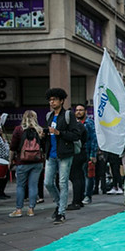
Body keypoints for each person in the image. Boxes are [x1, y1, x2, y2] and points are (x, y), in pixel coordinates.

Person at [43, 87, 81, 224]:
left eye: (54, 100)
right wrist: (44, 134)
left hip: (65, 154)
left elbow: (76, 134)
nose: (52, 102)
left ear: (61, 100)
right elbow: (49, 134)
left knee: (63, 183)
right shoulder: (49, 116)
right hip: (51, 154)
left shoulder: (68, 115)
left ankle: (61, 213)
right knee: (47, 182)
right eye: (50, 100)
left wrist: (60, 133)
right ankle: (60, 204)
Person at [8, 110, 45, 218]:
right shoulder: (39, 130)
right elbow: (43, 147)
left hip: (22, 161)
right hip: (37, 162)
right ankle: (31, 209)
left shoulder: (18, 130)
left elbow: (12, 147)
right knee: (33, 185)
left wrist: (10, 161)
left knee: (20, 186)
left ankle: (19, 210)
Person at [67, 105, 88, 211]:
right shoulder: (79, 125)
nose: (78, 112)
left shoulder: (77, 126)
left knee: (76, 177)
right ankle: (79, 200)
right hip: (81, 152)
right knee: (79, 177)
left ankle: (76, 201)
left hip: (77, 153)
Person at [78, 103, 98, 205]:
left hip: (87, 152)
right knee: (79, 175)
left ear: (85, 111)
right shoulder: (75, 123)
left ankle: (87, 195)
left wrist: (93, 154)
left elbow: (94, 139)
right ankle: (80, 195)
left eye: (81, 110)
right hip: (77, 153)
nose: (78, 112)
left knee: (88, 175)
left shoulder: (89, 123)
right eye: (77, 110)